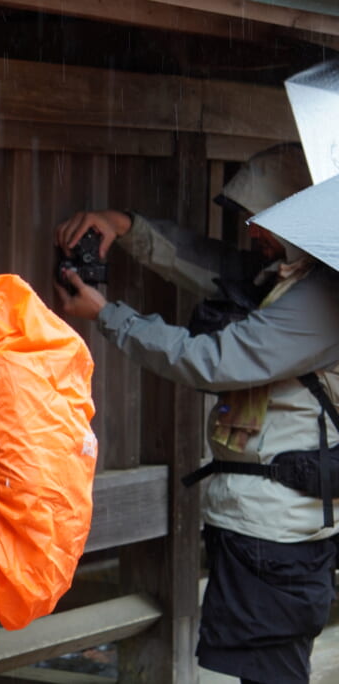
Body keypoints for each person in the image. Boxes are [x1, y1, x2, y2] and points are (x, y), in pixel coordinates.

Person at [53, 143, 339, 684]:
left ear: (295, 212)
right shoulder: (290, 277)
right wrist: (127, 226)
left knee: (271, 673)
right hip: (268, 529)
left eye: (262, 220)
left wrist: (109, 315)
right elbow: (211, 264)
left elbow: (210, 360)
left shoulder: (319, 301)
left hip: (275, 537)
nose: (251, 234)